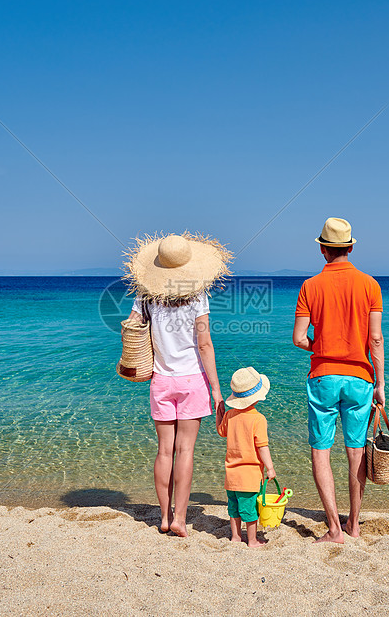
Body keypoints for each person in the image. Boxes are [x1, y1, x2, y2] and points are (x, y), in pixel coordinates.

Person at [124, 232, 231, 537]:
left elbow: (130, 327)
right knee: (185, 451)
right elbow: (205, 344)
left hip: (161, 379)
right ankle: (180, 520)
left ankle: (162, 516)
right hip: (192, 381)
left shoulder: (146, 295)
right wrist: (217, 390)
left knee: (164, 452)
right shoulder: (198, 296)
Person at [292, 217, 384, 544]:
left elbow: (299, 338)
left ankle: (333, 528)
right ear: (350, 247)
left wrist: (323, 345)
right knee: (356, 451)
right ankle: (354, 525)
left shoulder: (310, 287)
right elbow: (375, 340)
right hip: (360, 378)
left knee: (321, 451)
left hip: (323, 377)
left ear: (322, 249)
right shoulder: (370, 285)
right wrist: (381, 384)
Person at [216, 366, 276, 547]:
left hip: (231, 475)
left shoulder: (229, 415)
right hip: (249, 477)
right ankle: (251, 540)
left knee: (234, 508)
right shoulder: (258, 419)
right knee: (250, 511)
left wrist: (219, 415)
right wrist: (270, 468)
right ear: (257, 397)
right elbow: (262, 447)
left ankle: (235, 537)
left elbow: (221, 432)